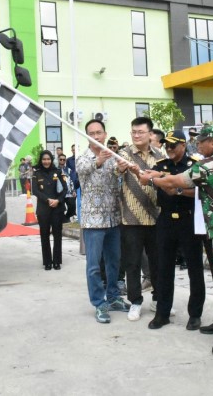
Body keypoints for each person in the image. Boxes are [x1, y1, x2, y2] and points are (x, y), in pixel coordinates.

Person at [136, 123, 213, 362]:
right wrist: (159, 175)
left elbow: (176, 183)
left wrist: (152, 179)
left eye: (201, 141)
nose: (197, 145)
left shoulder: (205, 166)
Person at [146, 130, 205, 331]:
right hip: (166, 220)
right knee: (163, 268)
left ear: (183, 145)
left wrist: (175, 187)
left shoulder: (194, 165)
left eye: (173, 145)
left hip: (189, 220)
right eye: (166, 145)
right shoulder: (161, 165)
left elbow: (199, 190)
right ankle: (162, 313)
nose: (169, 149)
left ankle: (195, 314)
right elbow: (153, 182)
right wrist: (159, 177)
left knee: (195, 269)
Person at [76, 119, 130, 323]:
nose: (96, 136)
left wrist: (122, 168)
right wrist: (99, 159)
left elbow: (117, 176)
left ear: (105, 134)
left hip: (113, 217)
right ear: (87, 136)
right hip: (93, 222)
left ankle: (114, 296)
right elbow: (83, 170)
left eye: (99, 132)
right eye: (92, 133)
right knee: (93, 266)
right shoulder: (83, 157)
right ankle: (99, 303)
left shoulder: (113, 157)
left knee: (114, 261)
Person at [115, 116, 164, 322]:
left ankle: (159, 299)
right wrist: (120, 169)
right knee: (132, 264)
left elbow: (164, 183)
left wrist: (148, 176)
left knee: (157, 263)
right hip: (131, 219)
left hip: (155, 218)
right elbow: (113, 176)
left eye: (140, 132)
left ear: (150, 134)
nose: (136, 135)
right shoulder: (123, 155)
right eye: (133, 132)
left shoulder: (160, 157)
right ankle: (135, 301)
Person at [31, 150, 67, 270]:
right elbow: (35, 191)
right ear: (41, 160)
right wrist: (48, 200)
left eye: (48, 159)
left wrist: (58, 201)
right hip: (43, 209)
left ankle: (57, 261)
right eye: (44, 159)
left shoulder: (58, 172)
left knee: (57, 235)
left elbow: (64, 189)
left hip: (57, 208)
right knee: (44, 235)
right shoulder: (37, 174)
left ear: (51, 160)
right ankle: (47, 261)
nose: (46, 161)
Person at [58, 153, 76, 221]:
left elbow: (72, 180)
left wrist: (73, 190)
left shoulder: (68, 170)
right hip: (60, 193)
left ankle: (67, 217)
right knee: (61, 209)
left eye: (64, 160)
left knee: (72, 207)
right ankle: (64, 220)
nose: (62, 161)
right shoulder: (55, 170)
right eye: (61, 159)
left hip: (69, 192)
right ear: (58, 160)